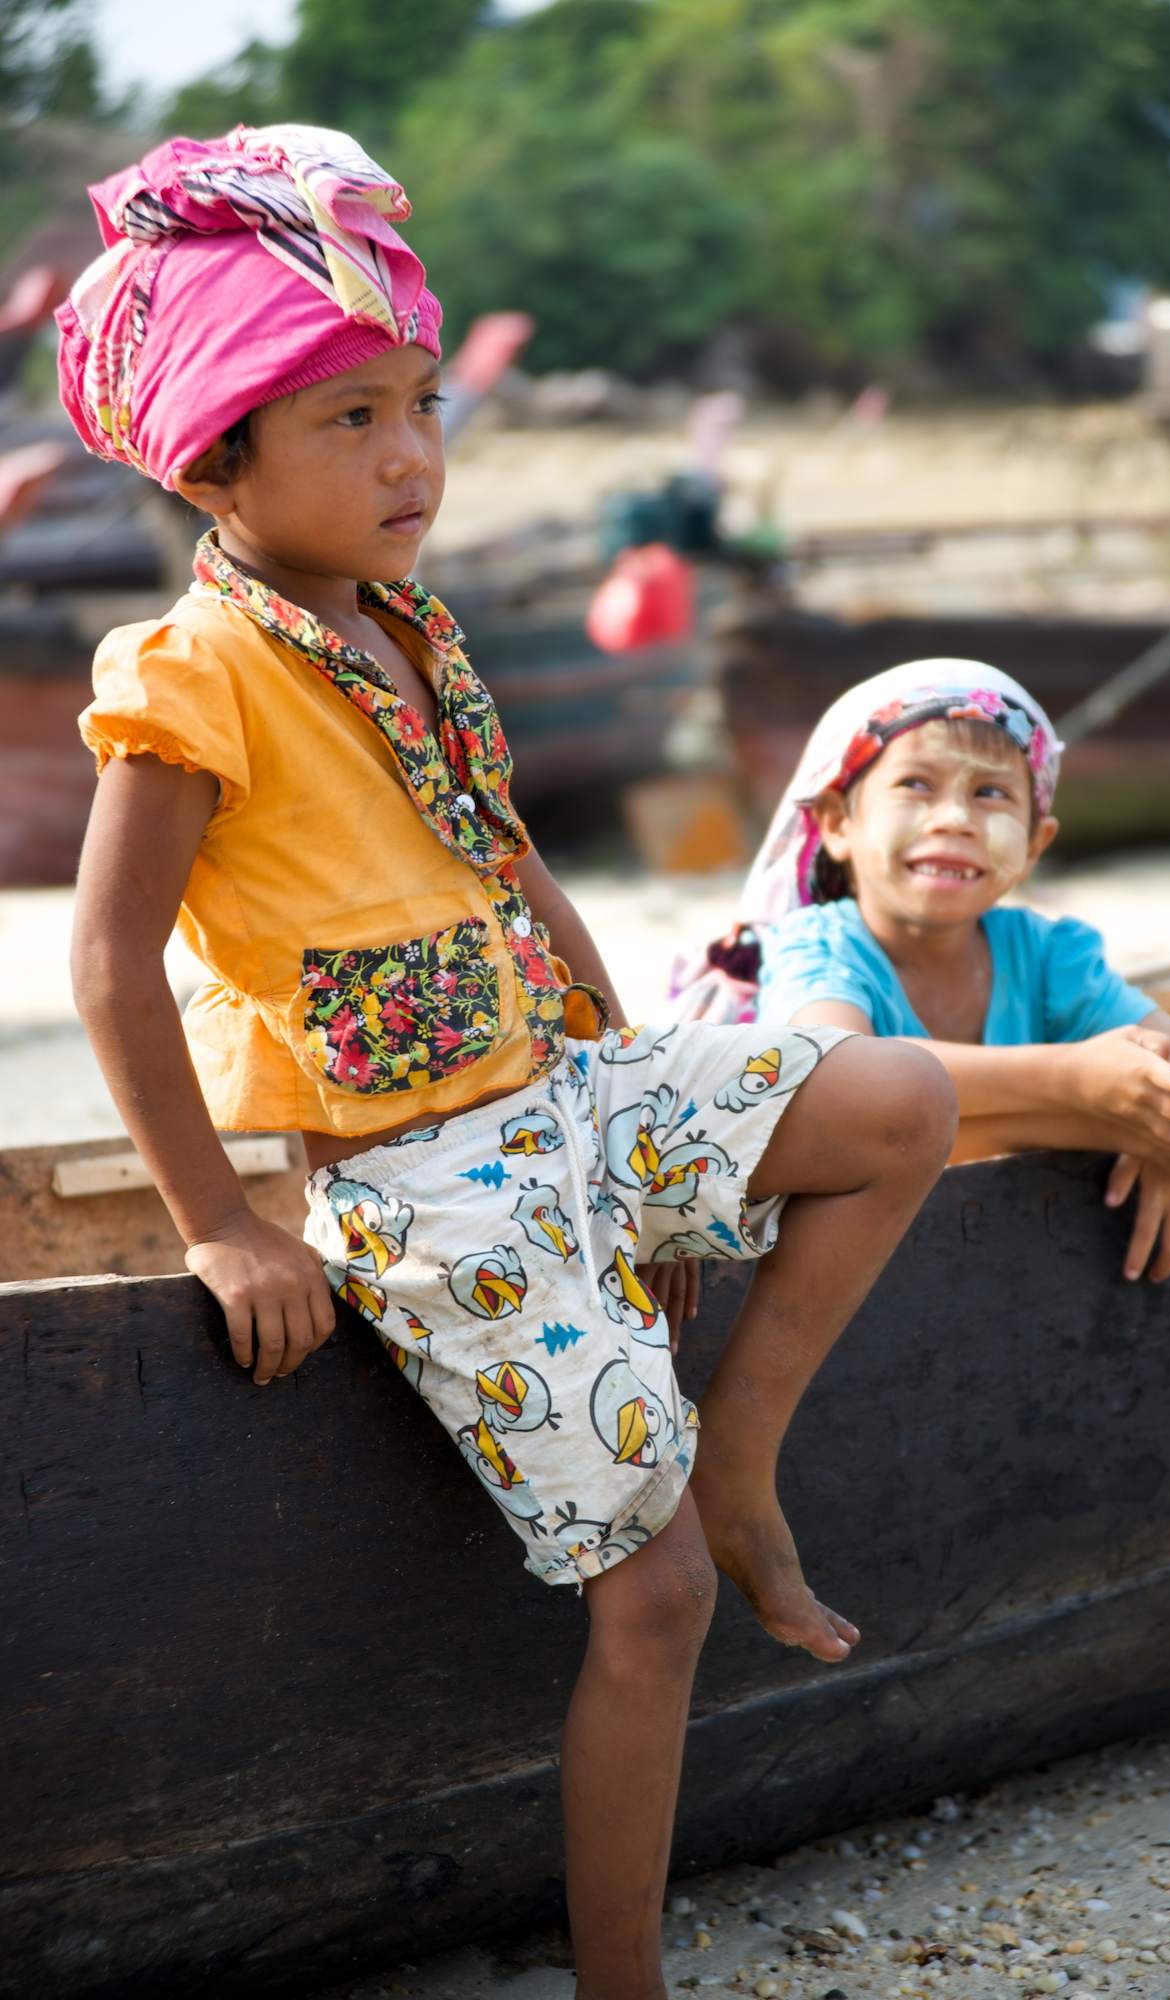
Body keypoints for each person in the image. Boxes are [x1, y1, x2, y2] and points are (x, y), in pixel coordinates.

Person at [57, 128, 957, 2000]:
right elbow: (108, 963)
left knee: (898, 1098)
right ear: (212, 458)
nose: (413, 460)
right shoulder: (191, 671)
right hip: (418, 1185)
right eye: (351, 421)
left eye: (421, 408)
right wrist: (218, 1223)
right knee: (655, 1601)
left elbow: (516, 871)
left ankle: (740, 1459)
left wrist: (639, 1130)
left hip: (561, 1106)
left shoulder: (408, 631)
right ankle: (623, 1977)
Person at [675, 661, 1170, 1285]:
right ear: (838, 824)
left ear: (1034, 845)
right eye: (916, 784)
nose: (955, 819)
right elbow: (841, 1073)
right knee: (877, 1121)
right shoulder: (818, 945)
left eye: (990, 794)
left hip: (984, 1258)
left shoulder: (1048, 954)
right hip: (823, 1213)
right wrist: (1077, 1081)